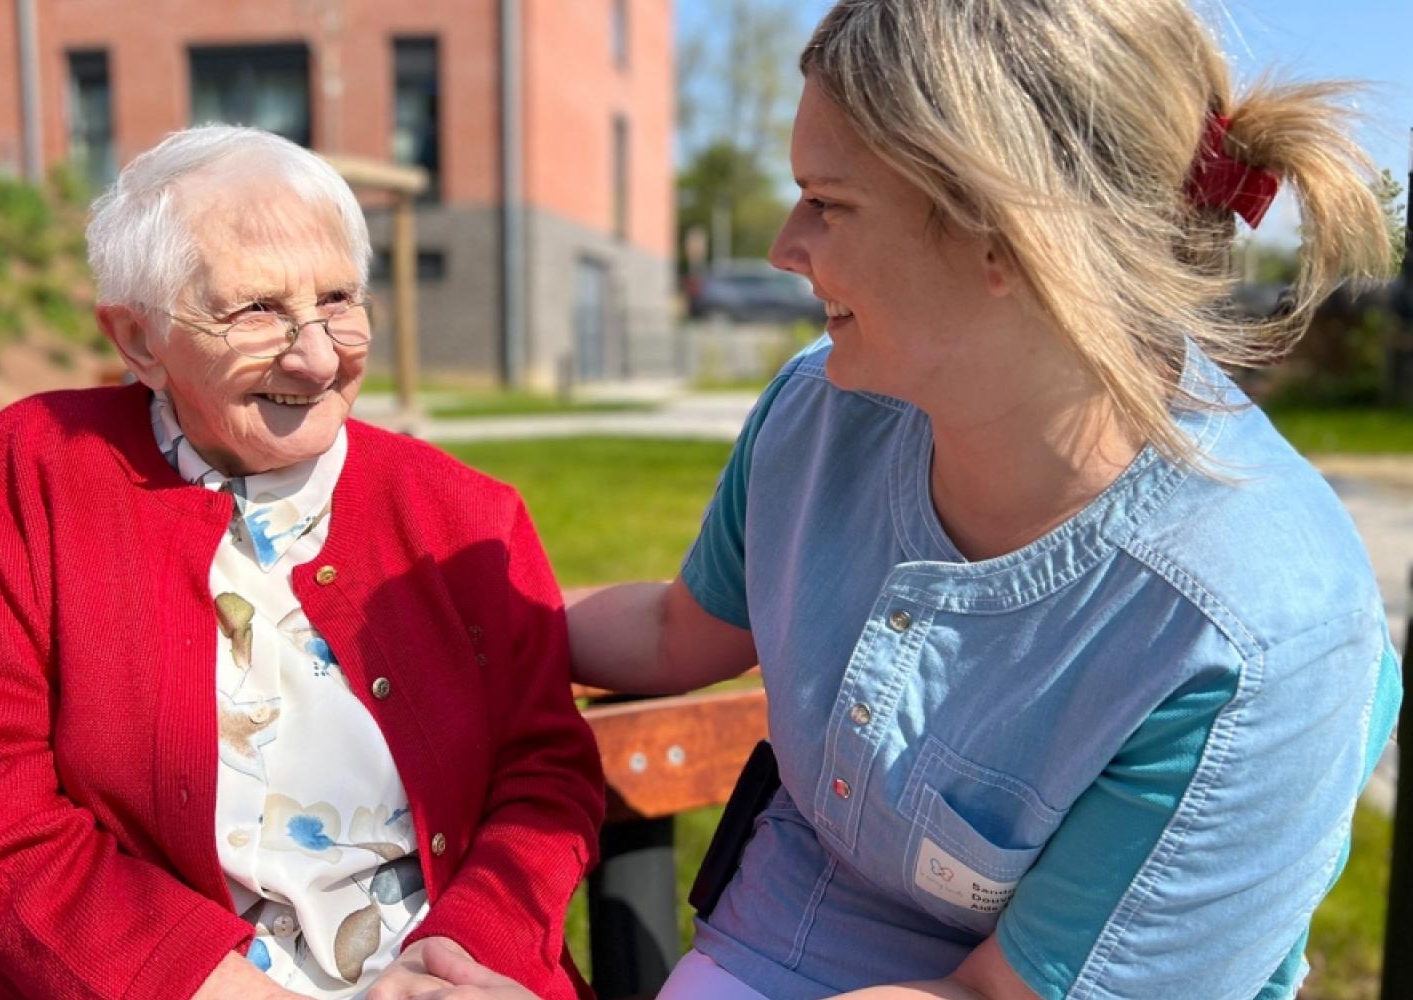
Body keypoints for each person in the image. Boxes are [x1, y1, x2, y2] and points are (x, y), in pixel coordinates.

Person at [564, 1, 1403, 998]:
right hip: (786, 937)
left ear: (1010, 236)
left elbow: (997, 991)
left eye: (826, 201)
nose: (786, 247)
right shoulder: (820, 414)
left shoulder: (1249, 636)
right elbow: (674, 630)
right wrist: (422, 619)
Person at [0, 125, 603, 1000]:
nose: (316, 357)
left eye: (339, 299)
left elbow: (545, 774)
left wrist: (465, 955)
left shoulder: (465, 513)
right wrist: (203, 982)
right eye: (257, 310)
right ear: (139, 340)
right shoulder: (40, 468)